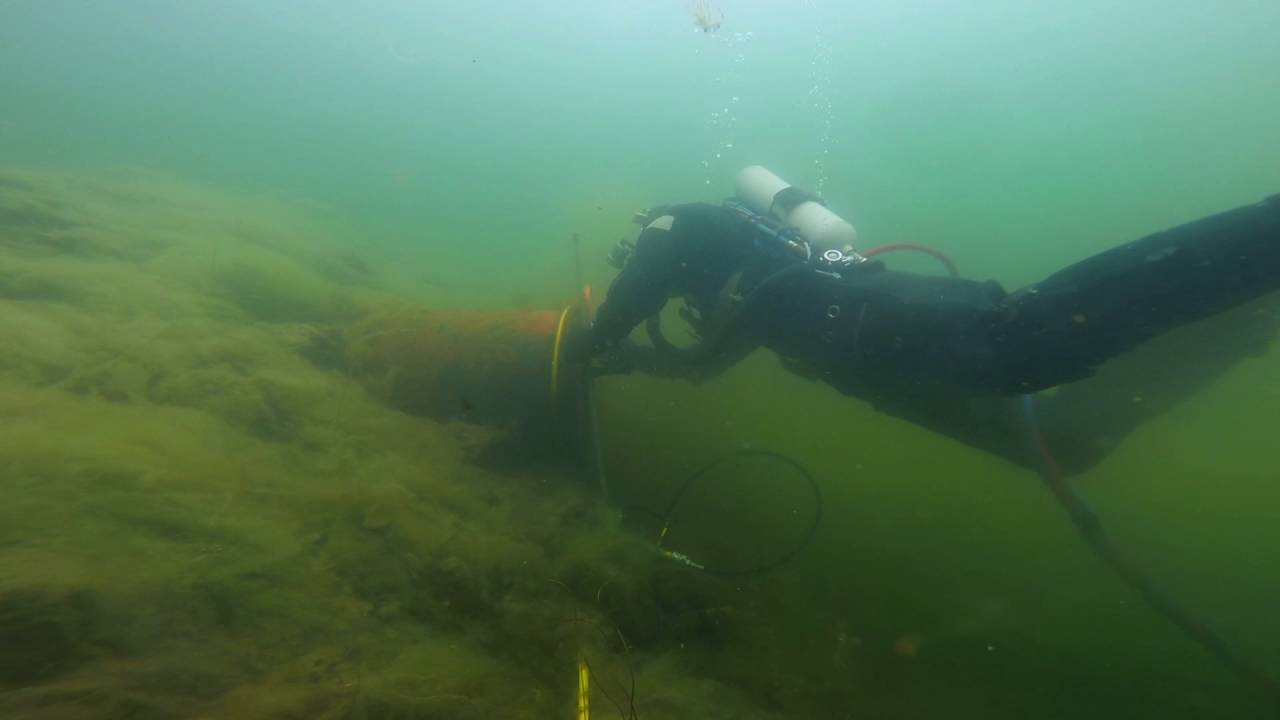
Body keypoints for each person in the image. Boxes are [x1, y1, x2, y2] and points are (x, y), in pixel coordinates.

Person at [569, 168, 1280, 475]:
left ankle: (1263, 239)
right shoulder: (736, 262)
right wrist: (636, 360)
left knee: (1021, 339)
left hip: (878, 322)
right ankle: (1227, 332)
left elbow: (627, 307)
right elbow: (706, 365)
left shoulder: (672, 227)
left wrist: (589, 347)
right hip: (875, 363)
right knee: (1066, 445)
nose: (634, 258)